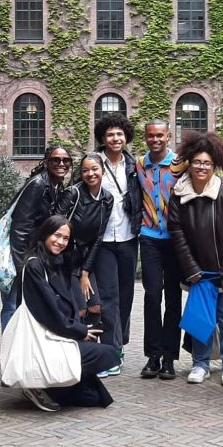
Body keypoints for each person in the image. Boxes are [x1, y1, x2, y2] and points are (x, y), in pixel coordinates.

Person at [167, 131, 223, 386]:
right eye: (197, 162)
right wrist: (191, 269)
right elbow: (176, 234)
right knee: (201, 319)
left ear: (214, 166)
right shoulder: (179, 196)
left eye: (207, 163)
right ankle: (200, 364)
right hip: (200, 273)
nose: (201, 167)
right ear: (189, 164)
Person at [15, 215, 120, 412]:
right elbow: (48, 313)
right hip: (47, 339)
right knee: (108, 353)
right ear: (45, 234)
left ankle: (53, 385)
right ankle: (37, 382)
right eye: (56, 235)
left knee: (93, 397)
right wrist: (79, 331)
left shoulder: (58, 263)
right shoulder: (34, 266)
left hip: (59, 333)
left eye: (66, 239)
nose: (60, 242)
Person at [93, 112, 142, 376]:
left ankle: (119, 344)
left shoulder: (134, 166)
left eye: (119, 134)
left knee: (126, 295)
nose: (115, 138)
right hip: (102, 240)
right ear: (103, 137)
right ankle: (109, 352)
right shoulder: (93, 162)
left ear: (126, 137)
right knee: (108, 296)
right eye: (110, 134)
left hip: (128, 236)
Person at [2, 145, 72, 330]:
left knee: (22, 306)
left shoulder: (54, 186)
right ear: (46, 162)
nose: (61, 164)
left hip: (29, 256)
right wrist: (21, 270)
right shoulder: (38, 184)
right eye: (55, 160)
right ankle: (9, 355)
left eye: (66, 160)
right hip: (17, 257)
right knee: (12, 306)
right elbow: (20, 229)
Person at [136, 120, 186, 380]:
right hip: (149, 236)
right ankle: (153, 356)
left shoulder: (181, 164)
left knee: (173, 298)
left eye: (160, 135)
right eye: (150, 136)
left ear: (168, 136)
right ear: (145, 138)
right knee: (152, 296)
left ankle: (169, 358)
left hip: (174, 238)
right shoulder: (139, 164)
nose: (155, 140)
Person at [54, 153, 113, 329]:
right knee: (79, 310)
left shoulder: (107, 199)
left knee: (95, 308)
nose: (90, 174)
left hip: (85, 260)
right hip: (66, 260)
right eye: (85, 170)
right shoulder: (73, 193)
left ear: (103, 171)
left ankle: (92, 351)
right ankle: (77, 350)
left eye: (95, 169)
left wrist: (85, 272)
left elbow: (98, 238)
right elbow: (54, 226)